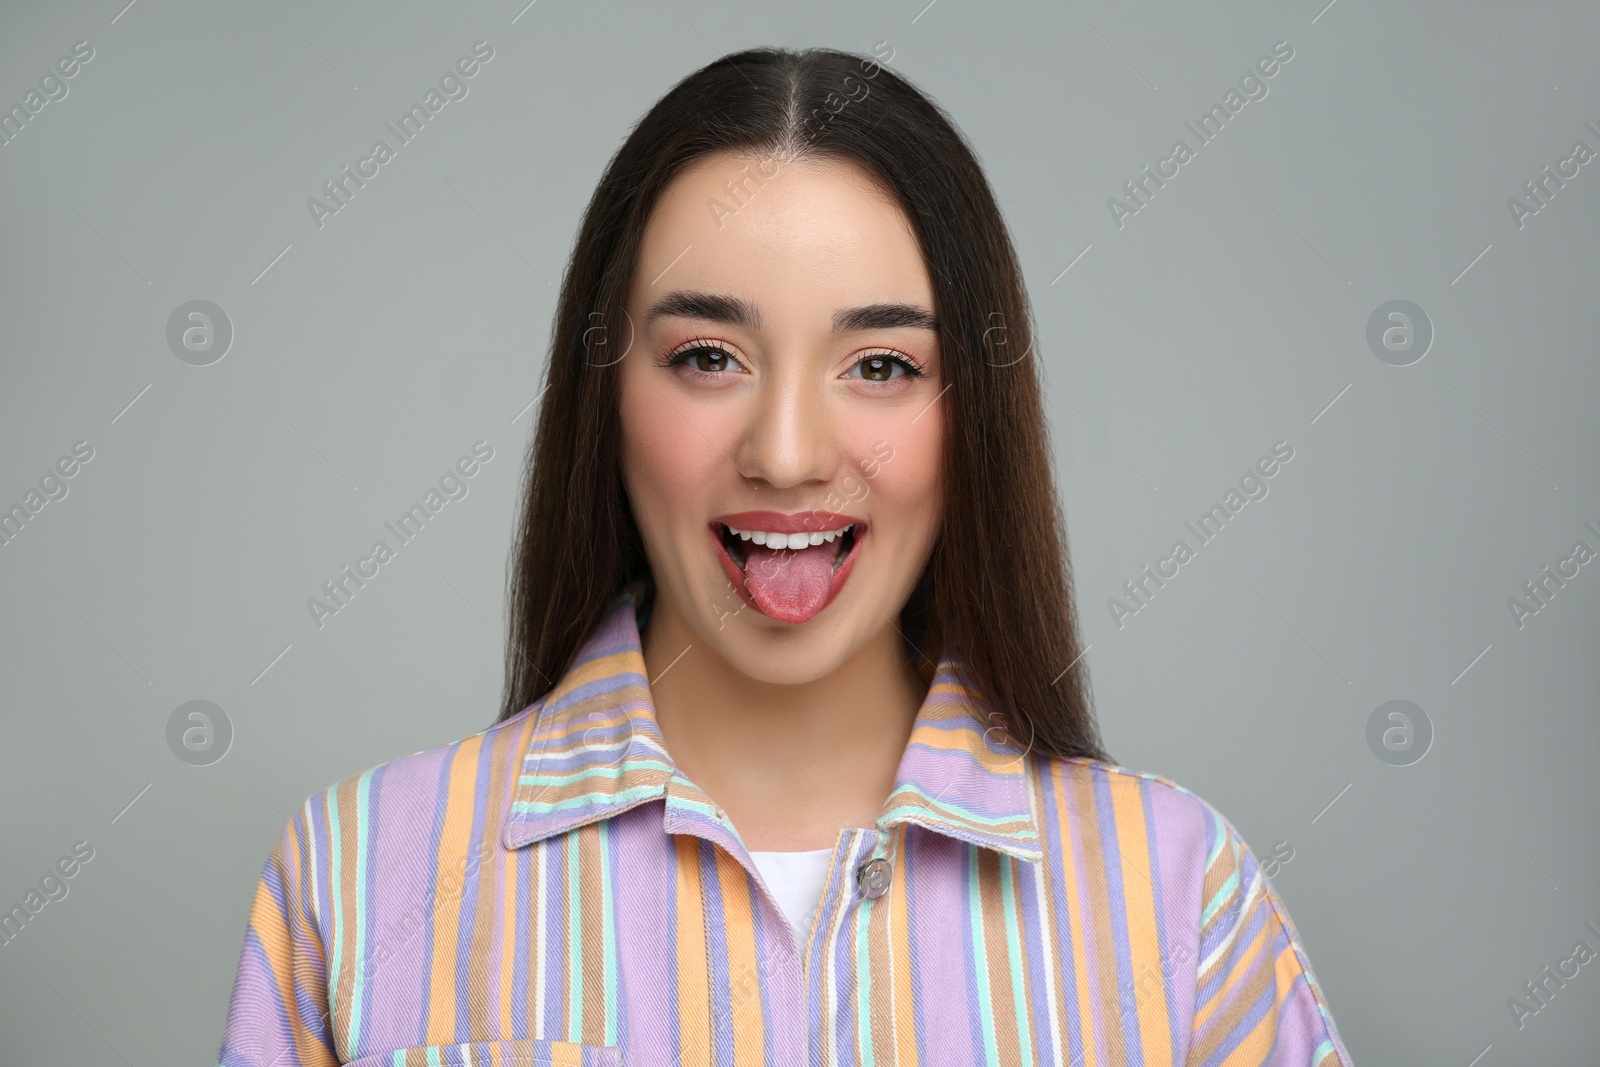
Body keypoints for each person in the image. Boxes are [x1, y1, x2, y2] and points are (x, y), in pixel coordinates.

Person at [215, 46, 1353, 1067]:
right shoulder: (357, 881)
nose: (789, 453)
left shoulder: (1177, 897)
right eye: (709, 356)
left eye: (881, 366)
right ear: (605, 397)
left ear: (974, 416)